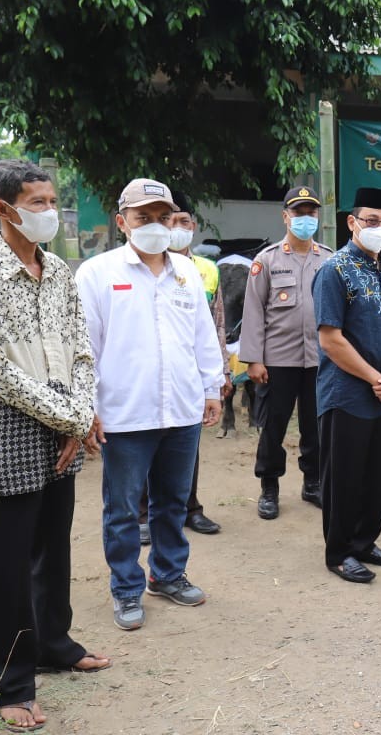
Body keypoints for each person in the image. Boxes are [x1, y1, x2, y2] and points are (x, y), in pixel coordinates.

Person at [0, 159, 110, 732]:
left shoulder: (61, 272)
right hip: (5, 425)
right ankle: (9, 679)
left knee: (53, 545)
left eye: (51, 200)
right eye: (37, 203)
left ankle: (53, 642)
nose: (49, 212)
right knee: (7, 560)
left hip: (62, 422)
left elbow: (82, 350)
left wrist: (79, 413)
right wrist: (69, 415)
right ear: (2, 209)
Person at [76, 178, 224, 631]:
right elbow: (85, 348)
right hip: (124, 414)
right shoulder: (98, 274)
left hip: (181, 409)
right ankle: (125, 588)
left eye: (163, 217)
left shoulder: (185, 273)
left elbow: (202, 338)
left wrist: (212, 388)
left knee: (173, 502)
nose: (155, 225)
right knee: (122, 509)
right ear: (122, 222)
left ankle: (168, 574)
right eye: (143, 217)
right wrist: (88, 407)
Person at [312, 187, 381, 583]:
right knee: (345, 478)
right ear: (352, 222)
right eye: (372, 220)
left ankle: (365, 542)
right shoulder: (334, 270)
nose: (380, 228)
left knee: (378, 475)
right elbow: (330, 339)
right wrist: (375, 378)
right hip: (348, 394)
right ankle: (339, 552)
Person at [136, 191, 230, 542]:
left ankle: (191, 508)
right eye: (169, 221)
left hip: (191, 375)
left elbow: (216, 324)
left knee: (186, 447)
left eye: (183, 222)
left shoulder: (204, 270)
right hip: (151, 374)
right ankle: (144, 513)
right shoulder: (137, 267)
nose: (176, 228)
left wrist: (219, 375)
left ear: (193, 226)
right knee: (146, 443)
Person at [241, 185, 331, 518]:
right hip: (277, 360)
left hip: (320, 359)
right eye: (298, 213)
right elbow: (253, 312)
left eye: (311, 213)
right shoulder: (266, 261)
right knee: (273, 427)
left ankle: (313, 483)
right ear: (285, 217)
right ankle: (269, 487)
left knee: (316, 425)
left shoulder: (330, 259)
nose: (306, 219)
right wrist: (253, 359)